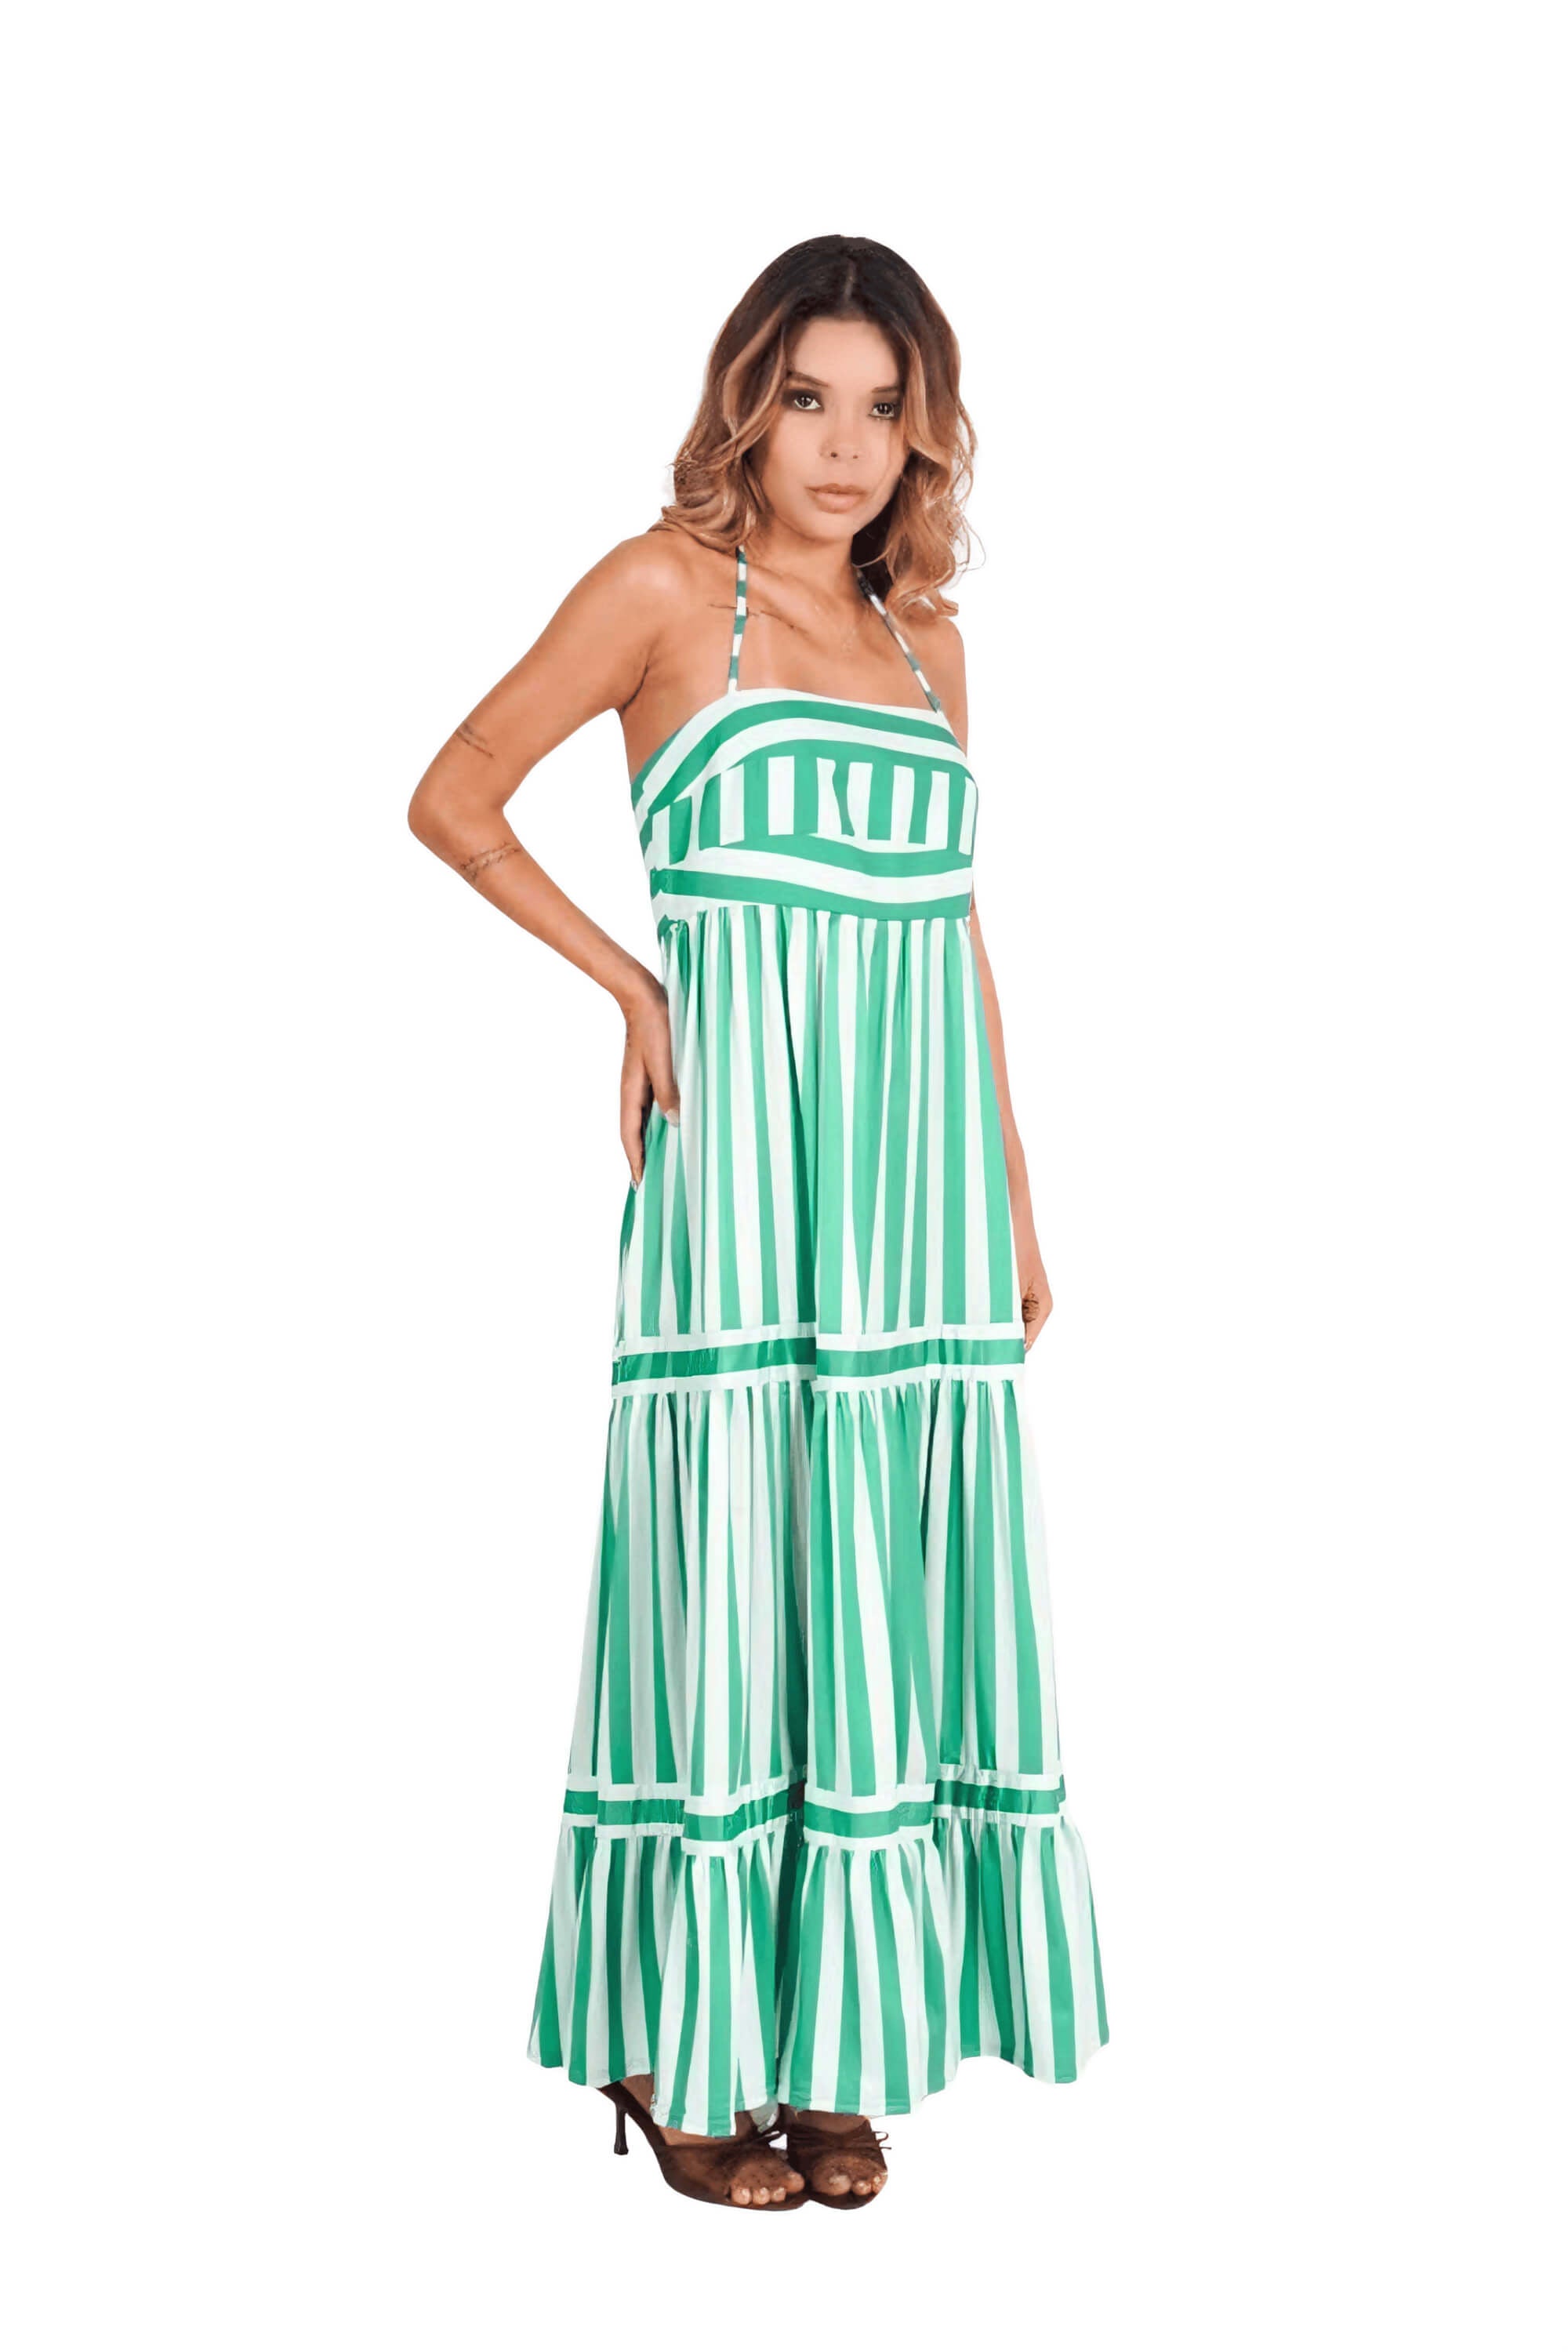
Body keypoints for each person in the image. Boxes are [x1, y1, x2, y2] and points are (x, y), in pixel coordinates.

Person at [407, 234, 1109, 2213]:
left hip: (918, 1191)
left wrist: (1012, 1192)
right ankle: (675, 2041)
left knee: (879, 1573)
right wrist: (632, 987)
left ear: (924, 436)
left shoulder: (924, 642)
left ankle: (831, 2041)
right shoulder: (660, 592)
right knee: (727, 1557)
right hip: (741, 1172)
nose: (846, 446)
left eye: (884, 409)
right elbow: (454, 795)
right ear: (747, 402)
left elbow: (953, 930)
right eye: (809, 398)